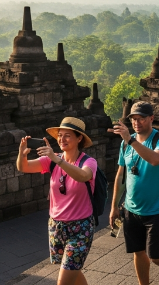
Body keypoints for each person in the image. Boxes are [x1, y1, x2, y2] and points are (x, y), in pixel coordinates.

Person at [16, 117, 98, 285]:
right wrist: (21, 153)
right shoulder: (51, 161)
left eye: (67, 135)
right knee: (71, 270)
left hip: (80, 228)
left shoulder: (88, 162)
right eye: (60, 135)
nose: (62, 139)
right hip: (57, 226)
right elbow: (23, 167)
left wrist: (58, 160)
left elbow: (84, 176)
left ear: (79, 138)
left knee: (64, 280)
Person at [108, 102, 159, 285]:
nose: (136, 122)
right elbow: (121, 175)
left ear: (151, 119)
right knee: (138, 251)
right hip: (131, 209)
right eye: (133, 119)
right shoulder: (126, 143)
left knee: (156, 255)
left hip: (157, 208)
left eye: (141, 118)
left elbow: (155, 159)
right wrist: (114, 206)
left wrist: (131, 141)